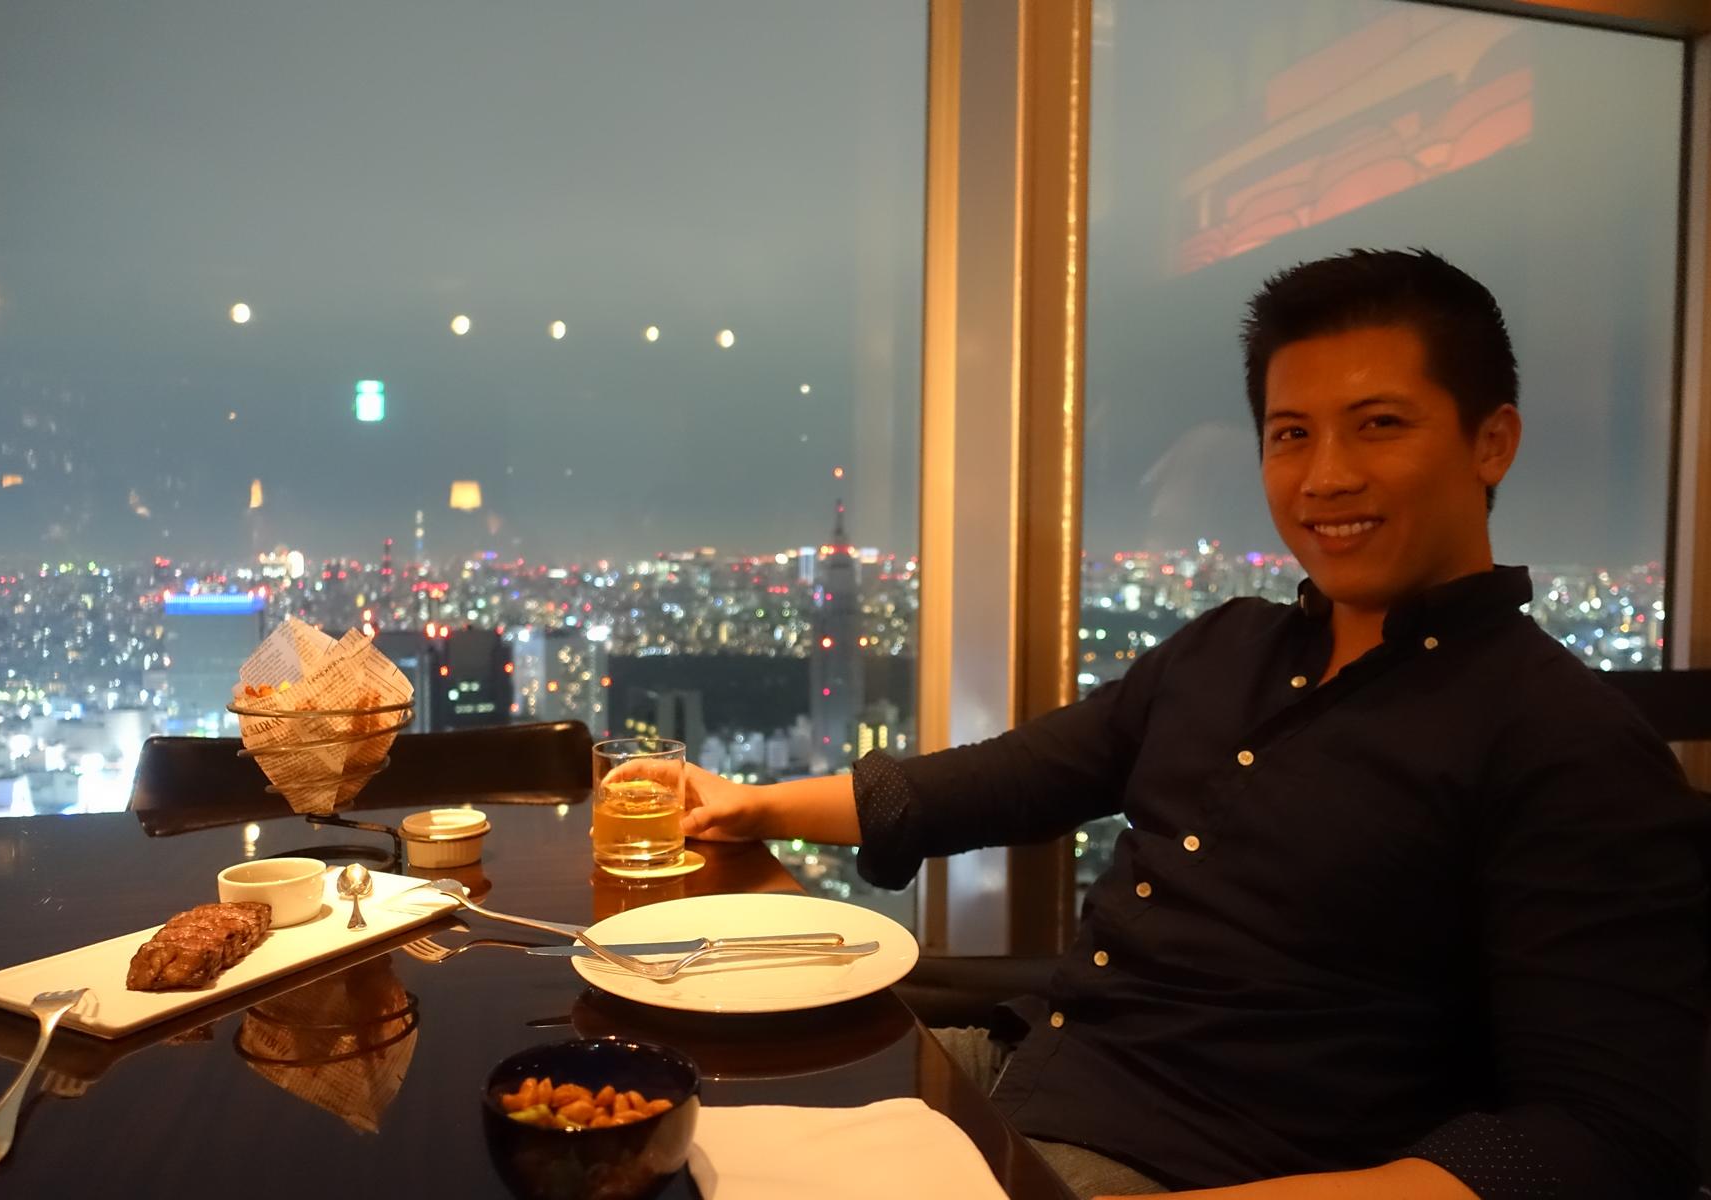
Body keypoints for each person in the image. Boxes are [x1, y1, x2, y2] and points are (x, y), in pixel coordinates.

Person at [641, 250, 1711, 1198]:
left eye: (1379, 424)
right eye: (1291, 435)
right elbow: (1011, 777)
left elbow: (1607, 1138)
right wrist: (753, 806)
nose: (1327, 475)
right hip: (1027, 1072)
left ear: (1493, 442)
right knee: (647, 1110)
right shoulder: (1228, 649)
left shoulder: (1563, 742)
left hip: (1197, 1171)